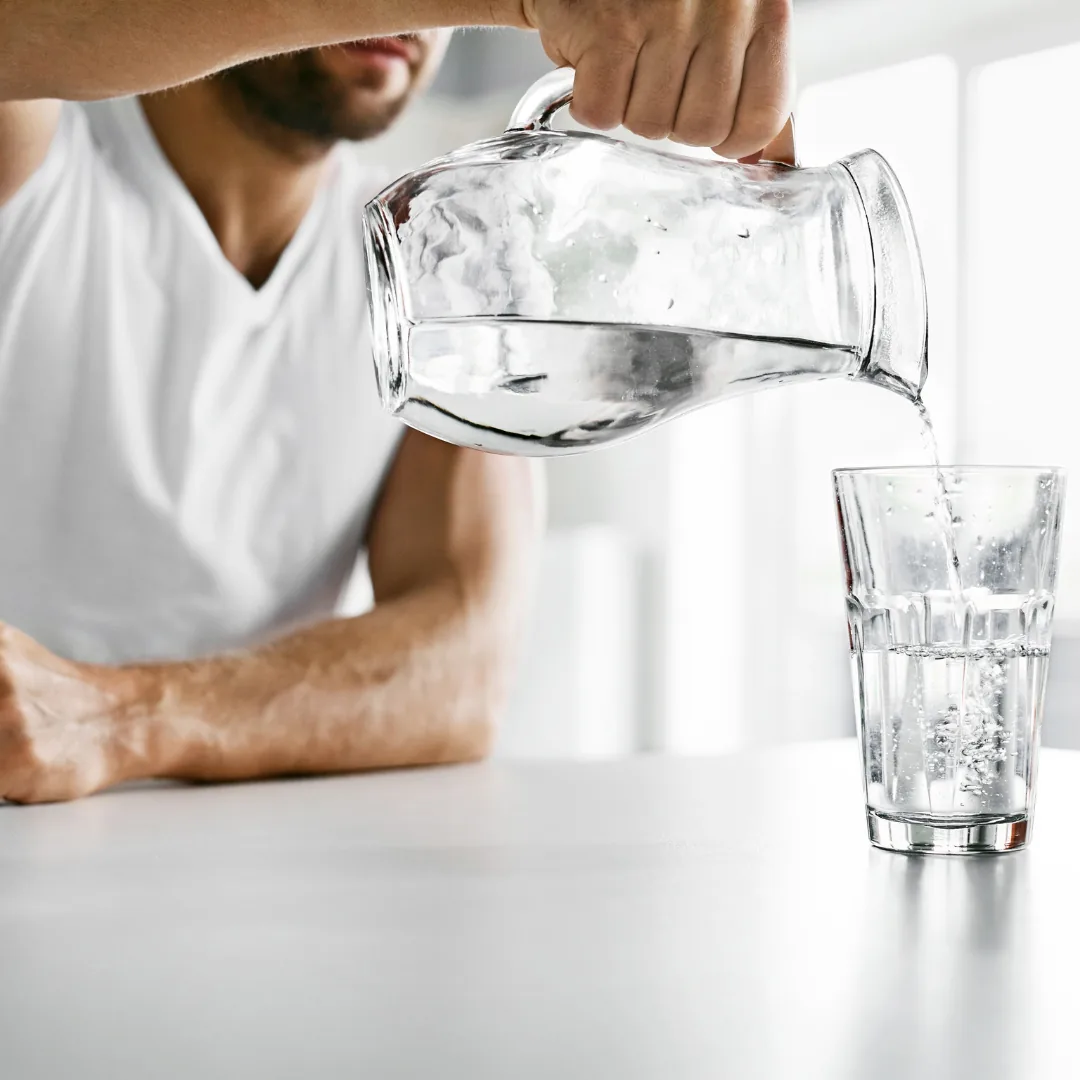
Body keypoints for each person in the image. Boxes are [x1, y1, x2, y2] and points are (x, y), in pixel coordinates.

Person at [0, 0, 794, 803]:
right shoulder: (33, 150)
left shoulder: (435, 255)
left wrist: (115, 720)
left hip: (240, 865)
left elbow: (461, 671)